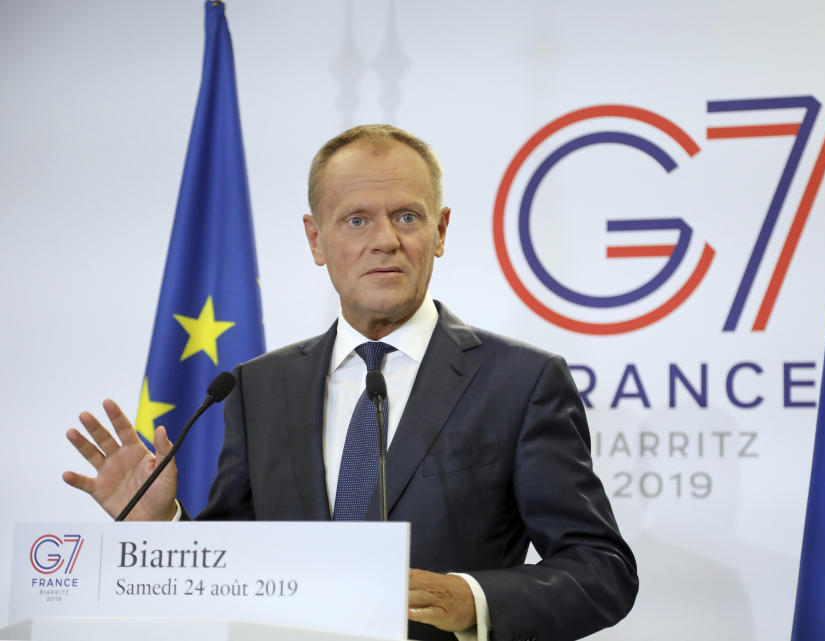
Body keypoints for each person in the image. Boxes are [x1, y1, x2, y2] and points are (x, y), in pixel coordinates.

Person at [64, 125, 639, 641]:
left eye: (408, 217)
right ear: (316, 239)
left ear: (440, 232)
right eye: (356, 219)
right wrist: (160, 525)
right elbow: (233, 573)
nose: (385, 239)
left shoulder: (521, 381)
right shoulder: (258, 388)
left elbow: (601, 569)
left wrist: (473, 600)